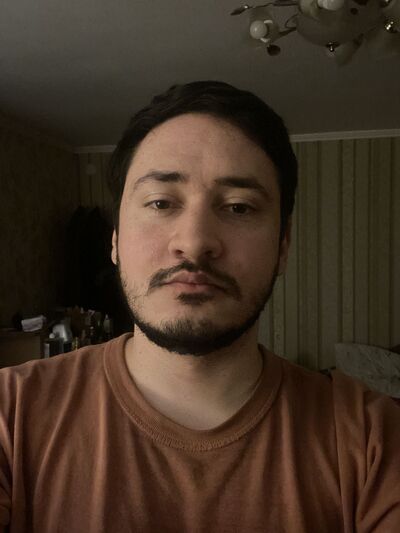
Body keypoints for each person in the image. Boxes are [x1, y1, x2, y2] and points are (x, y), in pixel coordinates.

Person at [0, 81, 399, 533]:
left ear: (283, 245)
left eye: (239, 208)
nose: (194, 242)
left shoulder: (373, 439)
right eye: (160, 202)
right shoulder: (11, 416)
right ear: (114, 239)